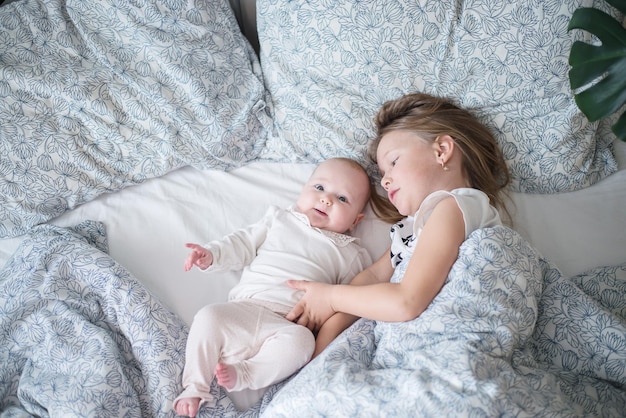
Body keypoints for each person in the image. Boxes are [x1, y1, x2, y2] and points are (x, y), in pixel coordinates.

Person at [285, 92, 511, 350]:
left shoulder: (455, 206)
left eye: (393, 161)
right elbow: (372, 278)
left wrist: (331, 297)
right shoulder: (408, 229)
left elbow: (406, 301)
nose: (384, 181)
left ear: (442, 150)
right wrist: (324, 336)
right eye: (382, 174)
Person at [173, 157, 375, 418]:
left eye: (343, 199)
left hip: (288, 324)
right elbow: (243, 244)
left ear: (356, 221)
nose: (326, 200)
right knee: (208, 316)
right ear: (303, 190)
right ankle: (194, 386)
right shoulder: (279, 219)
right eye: (320, 188)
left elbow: (350, 298)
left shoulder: (350, 254)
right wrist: (211, 255)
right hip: (244, 309)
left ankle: (246, 374)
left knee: (302, 344)